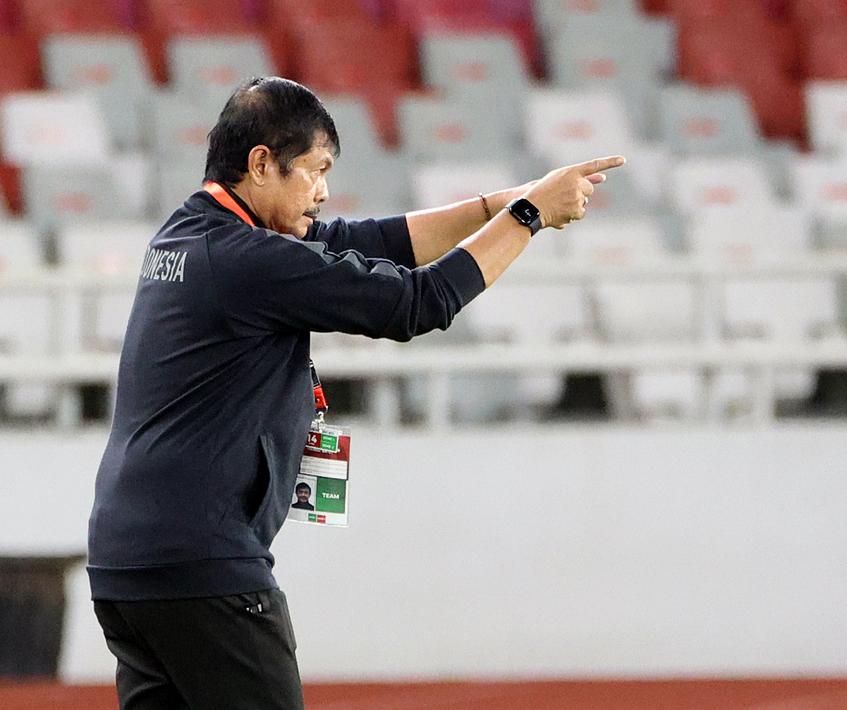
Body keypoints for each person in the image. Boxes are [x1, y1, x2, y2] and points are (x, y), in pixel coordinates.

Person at [86, 76, 624, 710]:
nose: (323, 190)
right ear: (262, 163)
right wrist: (528, 220)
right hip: (203, 564)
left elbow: (371, 242)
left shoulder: (191, 234)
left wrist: (498, 207)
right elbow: (417, 304)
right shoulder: (247, 260)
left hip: (128, 565)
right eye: (315, 170)